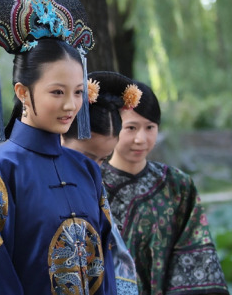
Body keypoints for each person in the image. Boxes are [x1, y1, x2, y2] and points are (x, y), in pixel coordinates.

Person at [0, 0, 116, 295]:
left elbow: (105, 265)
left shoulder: (87, 169)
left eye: (79, 92)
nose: (71, 105)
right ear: (22, 92)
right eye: (58, 92)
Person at [100, 81, 230, 294]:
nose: (141, 139)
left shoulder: (177, 185)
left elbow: (194, 253)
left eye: (150, 127)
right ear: (113, 126)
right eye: (131, 127)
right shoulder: (93, 183)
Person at [62, 71, 143, 295]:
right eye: (87, 158)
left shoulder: (94, 190)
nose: (95, 168)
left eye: (103, 159)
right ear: (61, 136)